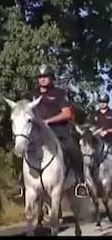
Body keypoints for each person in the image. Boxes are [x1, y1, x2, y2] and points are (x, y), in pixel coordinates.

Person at [14, 64, 89, 199]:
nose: (42, 79)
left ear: (51, 78)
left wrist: (48, 121)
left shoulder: (59, 93)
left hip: (58, 129)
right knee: (19, 148)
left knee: (73, 146)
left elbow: (67, 113)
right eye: (40, 77)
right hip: (36, 131)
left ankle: (80, 182)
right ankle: (20, 183)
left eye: (45, 77)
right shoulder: (31, 94)